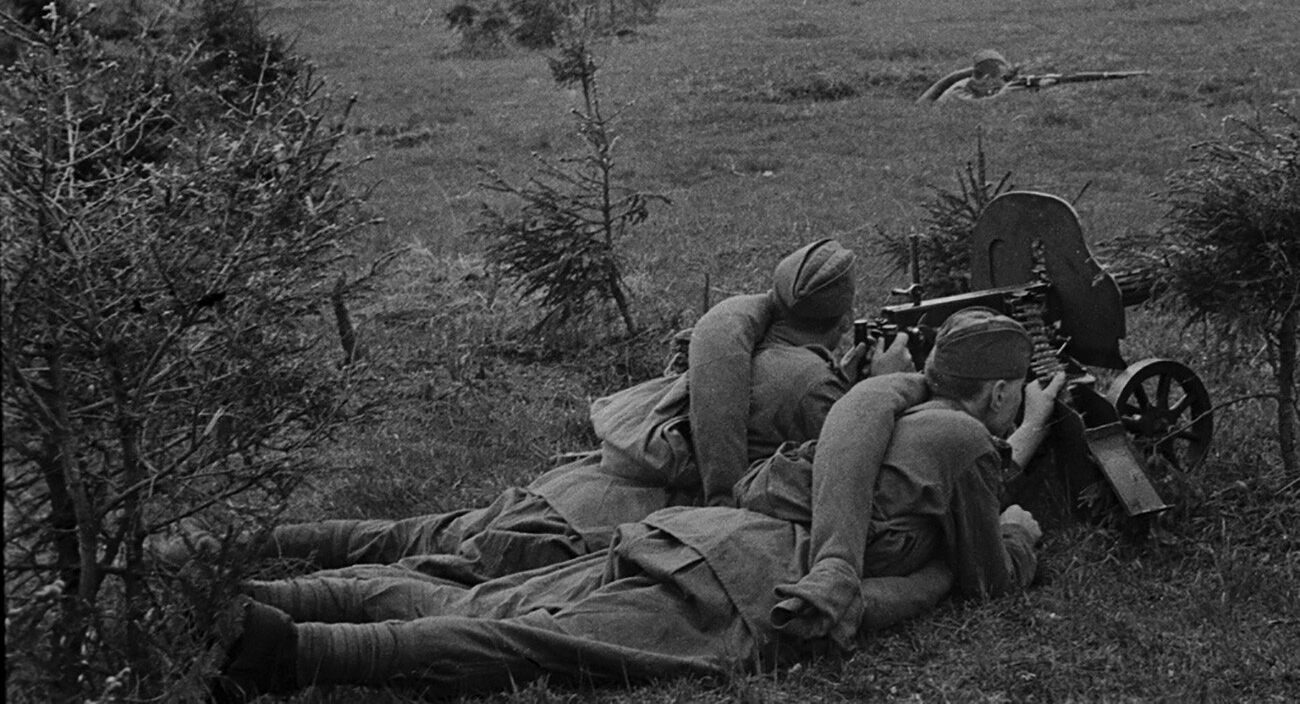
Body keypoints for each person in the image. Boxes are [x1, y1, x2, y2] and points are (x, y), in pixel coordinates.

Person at [210, 309, 1064, 700]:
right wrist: (1020, 520)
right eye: (1013, 394)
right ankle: (299, 654)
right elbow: (986, 575)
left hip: (701, 532)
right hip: (735, 583)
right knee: (530, 636)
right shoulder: (960, 442)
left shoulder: (892, 405)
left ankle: (270, 604)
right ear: (993, 394)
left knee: (491, 595)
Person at [161, 239, 914, 585]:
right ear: (844, 317)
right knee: (433, 576)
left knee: (400, 533)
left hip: (578, 485)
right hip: (594, 525)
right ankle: (242, 601)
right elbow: (838, 467)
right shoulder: (815, 390)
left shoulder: (749, 349)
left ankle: (191, 553)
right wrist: (875, 387)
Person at [918, 49, 1019, 103]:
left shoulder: (979, 86)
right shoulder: (958, 90)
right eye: (1004, 78)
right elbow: (973, 105)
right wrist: (1003, 94)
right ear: (987, 79)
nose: (1005, 83)